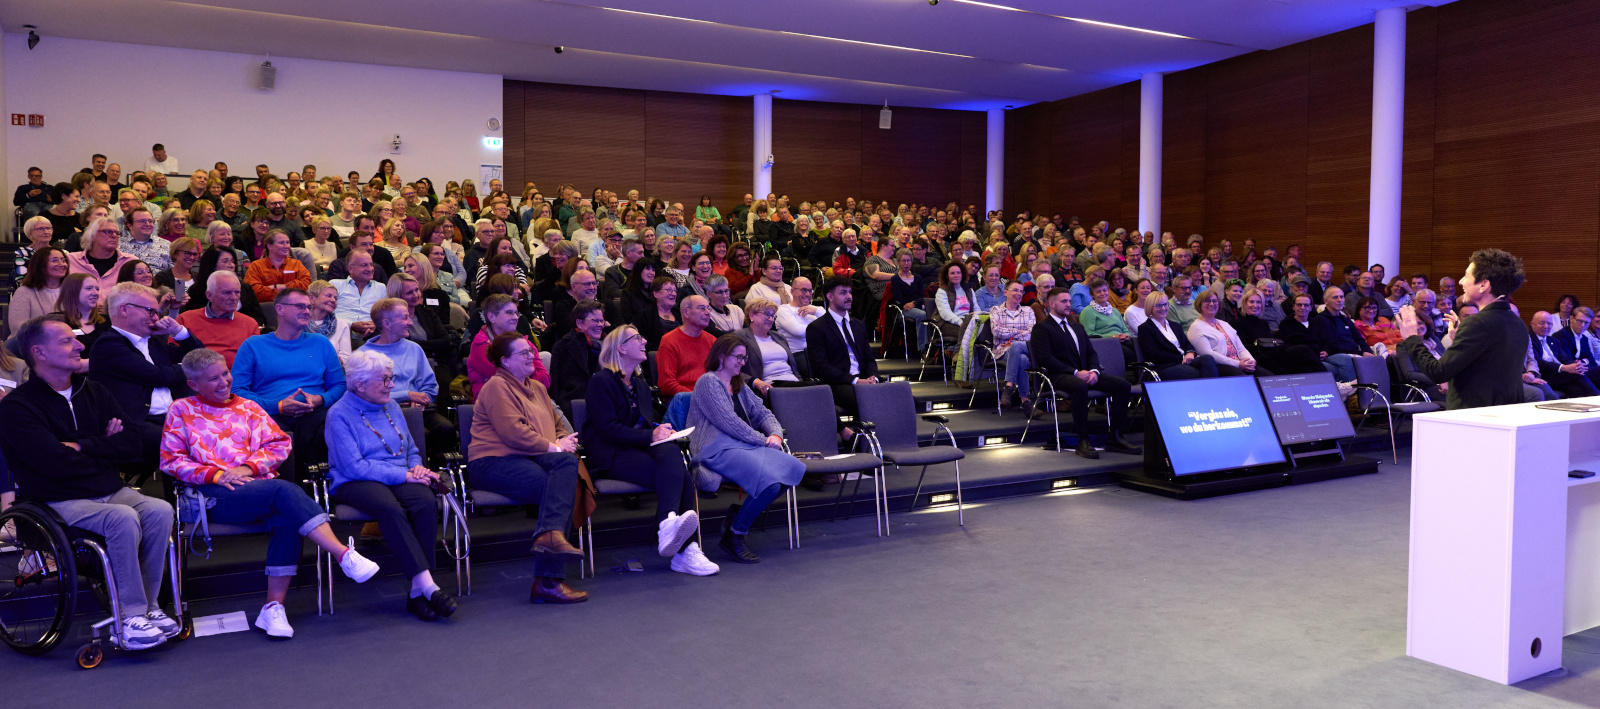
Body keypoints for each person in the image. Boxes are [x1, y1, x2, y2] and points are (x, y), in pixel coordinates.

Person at [160, 348, 379, 638]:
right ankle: (342, 554)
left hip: (258, 489)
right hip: (213, 496)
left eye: (226, 373)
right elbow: (171, 461)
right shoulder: (181, 410)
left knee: (286, 517)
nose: (224, 382)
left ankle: (272, 608)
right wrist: (216, 474)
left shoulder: (249, 407)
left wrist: (248, 467)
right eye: (213, 379)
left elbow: (280, 443)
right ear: (193, 384)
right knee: (283, 491)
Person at [0, 315, 176, 649]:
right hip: (56, 500)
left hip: (109, 489)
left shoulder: (94, 390)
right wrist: (104, 446)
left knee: (160, 510)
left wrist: (81, 446)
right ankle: (129, 617)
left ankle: (150, 608)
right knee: (122, 517)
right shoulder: (18, 407)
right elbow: (53, 463)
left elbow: (132, 444)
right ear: (39, 352)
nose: (79, 346)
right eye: (66, 341)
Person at [325, 349, 459, 621]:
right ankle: (429, 586)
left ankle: (417, 592)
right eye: (384, 380)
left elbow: (410, 449)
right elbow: (354, 467)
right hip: (355, 481)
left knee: (424, 501)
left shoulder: (392, 407)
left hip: (400, 473)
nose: (391, 385)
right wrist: (405, 475)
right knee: (389, 508)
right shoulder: (338, 414)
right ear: (359, 383)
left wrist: (416, 467)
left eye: (391, 378)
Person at [584, 326, 714, 575]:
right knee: (681, 476)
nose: (644, 341)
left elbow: (642, 423)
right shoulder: (601, 381)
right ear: (621, 348)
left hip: (638, 447)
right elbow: (607, 429)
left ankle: (671, 530)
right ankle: (685, 550)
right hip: (611, 453)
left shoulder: (641, 386)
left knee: (673, 454)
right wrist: (650, 435)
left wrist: (660, 430)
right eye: (637, 337)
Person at [468, 333, 587, 603]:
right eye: (523, 353)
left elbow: (559, 425)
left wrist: (561, 442)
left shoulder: (537, 388)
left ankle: (549, 546)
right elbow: (513, 433)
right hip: (492, 461)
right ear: (505, 361)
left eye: (530, 350)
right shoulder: (496, 386)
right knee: (557, 488)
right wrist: (555, 446)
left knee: (567, 464)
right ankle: (549, 580)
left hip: (531, 456)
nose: (531, 355)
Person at [687, 335, 806, 563]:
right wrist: (763, 440)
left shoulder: (738, 384)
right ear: (722, 356)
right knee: (770, 483)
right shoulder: (708, 382)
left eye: (745, 358)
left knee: (792, 468)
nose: (742, 362)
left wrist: (775, 434)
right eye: (738, 357)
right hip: (715, 447)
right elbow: (729, 423)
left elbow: (763, 413)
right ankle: (735, 534)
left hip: (742, 444)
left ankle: (737, 519)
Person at [232, 289, 347, 482]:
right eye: (300, 306)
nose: (307, 311)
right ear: (279, 309)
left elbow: (340, 385)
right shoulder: (253, 345)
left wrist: (320, 399)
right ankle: (293, 487)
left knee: (331, 424)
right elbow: (237, 391)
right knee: (273, 433)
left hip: (316, 413)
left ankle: (316, 487)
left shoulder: (320, 343)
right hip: (270, 414)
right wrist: (278, 405)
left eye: (309, 307)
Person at [1395, 249, 1528, 409]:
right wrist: (1459, 339)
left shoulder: (1477, 323)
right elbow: (1488, 367)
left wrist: (1412, 338)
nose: (1461, 281)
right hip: (1506, 412)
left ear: (1483, 285)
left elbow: (1438, 372)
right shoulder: (1518, 323)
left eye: (1466, 276)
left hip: (1473, 415)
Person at [1029, 288, 1139, 459]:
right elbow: (1046, 359)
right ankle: (1083, 440)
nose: (1068, 304)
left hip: (1084, 373)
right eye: (1064, 301)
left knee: (1122, 385)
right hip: (1057, 375)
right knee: (1080, 386)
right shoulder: (1042, 328)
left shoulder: (1077, 326)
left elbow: (1091, 353)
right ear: (1052, 304)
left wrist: (1094, 371)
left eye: (1069, 301)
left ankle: (1116, 437)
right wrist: (1075, 372)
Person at [359, 297, 456, 452]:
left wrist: (423, 398)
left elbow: (430, 385)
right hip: (382, 413)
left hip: (418, 410)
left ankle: (441, 466)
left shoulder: (414, 348)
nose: (410, 323)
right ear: (387, 324)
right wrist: (407, 395)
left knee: (446, 428)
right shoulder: (364, 355)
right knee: (415, 433)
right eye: (405, 318)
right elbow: (366, 396)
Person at [805, 275, 879, 437]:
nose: (849, 296)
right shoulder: (817, 328)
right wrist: (855, 381)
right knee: (867, 400)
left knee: (902, 396)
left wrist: (872, 377)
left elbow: (869, 358)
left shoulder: (858, 325)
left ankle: (888, 441)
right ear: (830, 296)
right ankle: (862, 443)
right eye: (843, 292)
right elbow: (821, 367)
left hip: (863, 380)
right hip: (837, 383)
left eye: (850, 292)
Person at [175, 270, 258, 367]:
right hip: (199, 374)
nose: (234, 298)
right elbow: (175, 358)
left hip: (237, 374)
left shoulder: (250, 324)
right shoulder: (185, 320)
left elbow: (256, 362)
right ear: (210, 295)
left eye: (237, 292)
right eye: (227, 292)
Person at [1138, 291, 1220, 380]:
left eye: (1165, 304)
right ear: (1150, 307)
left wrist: (1191, 353)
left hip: (1184, 361)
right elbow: (1155, 354)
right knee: (1199, 372)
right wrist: (1183, 357)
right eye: (1158, 306)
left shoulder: (1175, 325)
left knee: (1208, 359)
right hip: (1165, 366)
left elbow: (1187, 344)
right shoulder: (1145, 328)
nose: (1163, 308)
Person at [1188, 287, 1265, 377]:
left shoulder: (1224, 324)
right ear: (1199, 304)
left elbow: (1240, 348)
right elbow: (1208, 354)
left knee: (1267, 376)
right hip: (1221, 365)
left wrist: (1250, 361)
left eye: (1215, 301)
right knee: (1245, 379)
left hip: (1240, 362)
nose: (1212, 304)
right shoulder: (1196, 327)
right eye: (1207, 301)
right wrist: (1237, 364)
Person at [734, 298, 801, 398]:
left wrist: (800, 381)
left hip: (794, 382)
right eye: (767, 314)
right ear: (752, 315)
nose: (771, 319)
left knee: (819, 389)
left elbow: (794, 368)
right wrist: (755, 382)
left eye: (773, 315)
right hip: (770, 386)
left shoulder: (779, 337)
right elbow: (729, 370)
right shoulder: (740, 337)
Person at [549, 299, 606, 415]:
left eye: (602, 321)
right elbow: (555, 387)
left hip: (603, 402)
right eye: (595, 320)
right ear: (579, 323)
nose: (600, 325)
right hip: (574, 406)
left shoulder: (606, 345)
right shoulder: (562, 347)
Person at [1527, 311, 1598, 398]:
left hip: (1559, 375)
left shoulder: (1553, 340)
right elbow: (1538, 362)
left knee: (1577, 390)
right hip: (1544, 374)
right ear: (1532, 324)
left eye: (1549, 324)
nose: (1546, 326)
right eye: (1542, 323)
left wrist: (1576, 365)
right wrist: (1565, 368)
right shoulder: (1529, 340)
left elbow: (1565, 359)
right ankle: (1597, 398)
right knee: (1577, 374)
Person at [989, 281, 1035, 410]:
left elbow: (1031, 334)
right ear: (1005, 292)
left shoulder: (1028, 310)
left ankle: (1009, 387)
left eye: (1021, 291)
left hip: (1023, 348)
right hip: (1002, 351)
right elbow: (996, 331)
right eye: (1015, 290)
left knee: (1016, 346)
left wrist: (1009, 334)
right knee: (1022, 359)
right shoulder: (996, 310)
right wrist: (1017, 331)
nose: (1019, 293)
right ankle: (1025, 401)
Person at [658, 295, 716, 397]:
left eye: (708, 308)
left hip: (710, 395)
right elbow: (667, 384)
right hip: (683, 398)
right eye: (702, 308)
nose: (707, 312)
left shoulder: (712, 340)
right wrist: (697, 396)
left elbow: (721, 374)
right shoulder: (669, 341)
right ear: (686, 312)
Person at [69, 217, 137, 293]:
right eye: (108, 232)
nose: (114, 236)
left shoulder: (130, 263)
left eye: (117, 233)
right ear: (92, 235)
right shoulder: (71, 260)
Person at [9, 247, 69, 333]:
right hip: (33, 340)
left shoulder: (72, 290)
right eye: (54, 260)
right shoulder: (24, 292)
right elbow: (18, 328)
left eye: (63, 260)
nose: (62, 264)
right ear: (40, 265)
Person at [244, 230, 312, 303]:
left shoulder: (296, 264)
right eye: (281, 243)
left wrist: (282, 286)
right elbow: (254, 291)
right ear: (269, 246)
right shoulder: (256, 266)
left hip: (294, 305)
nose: (286, 246)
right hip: (267, 307)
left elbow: (306, 284)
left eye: (288, 242)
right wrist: (288, 292)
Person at [332, 250, 383, 339]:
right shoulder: (335, 285)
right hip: (339, 335)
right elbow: (324, 314)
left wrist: (376, 324)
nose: (370, 269)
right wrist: (351, 325)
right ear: (350, 268)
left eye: (371, 265)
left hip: (372, 337)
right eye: (364, 265)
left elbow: (387, 315)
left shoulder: (381, 288)